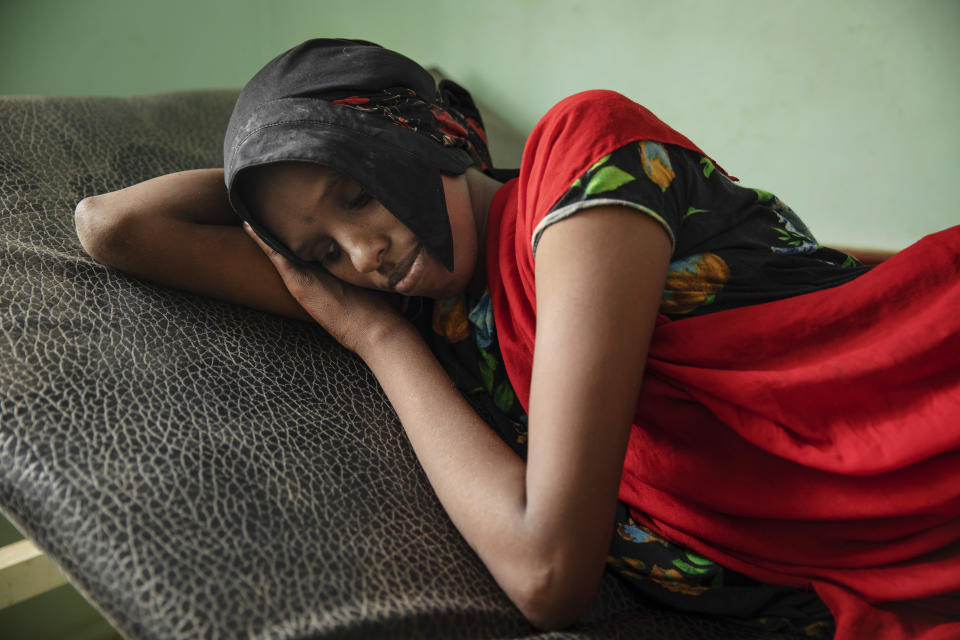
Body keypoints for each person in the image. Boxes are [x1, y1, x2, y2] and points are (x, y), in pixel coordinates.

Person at [74, 39, 960, 639]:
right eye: (319, 253)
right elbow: (111, 230)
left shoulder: (582, 169)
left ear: (427, 131)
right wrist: (265, 178)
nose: (364, 256)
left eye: (356, 193)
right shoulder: (429, 306)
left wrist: (380, 346)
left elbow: (547, 573)